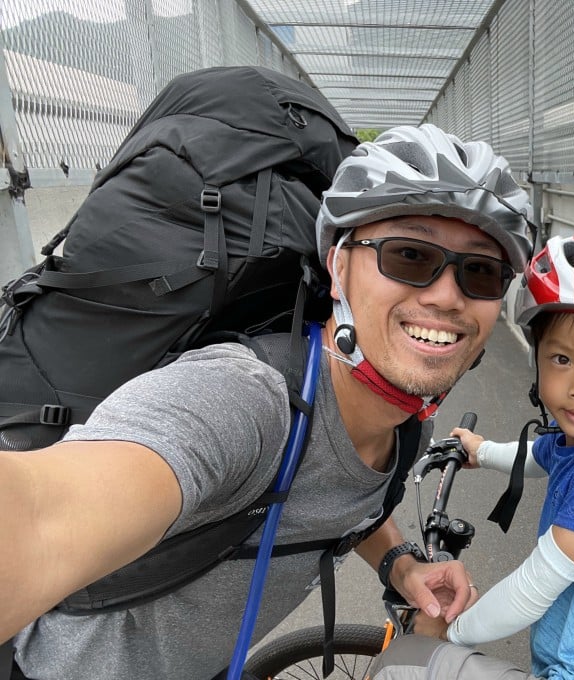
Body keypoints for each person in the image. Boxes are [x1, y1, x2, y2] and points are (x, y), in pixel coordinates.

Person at [0, 123, 534, 679]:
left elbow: (346, 498)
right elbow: (39, 518)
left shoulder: (409, 424)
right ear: (339, 269)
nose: (447, 296)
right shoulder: (244, 400)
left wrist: (401, 565)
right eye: (409, 255)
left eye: (481, 271)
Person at [368, 225, 574, 679]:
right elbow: (542, 454)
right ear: (537, 353)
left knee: (401, 668)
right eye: (562, 359)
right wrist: (482, 452)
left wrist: (452, 630)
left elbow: (536, 584)